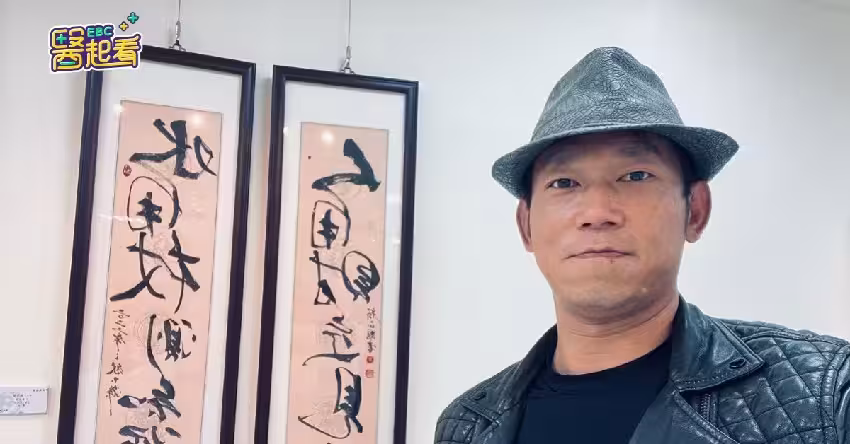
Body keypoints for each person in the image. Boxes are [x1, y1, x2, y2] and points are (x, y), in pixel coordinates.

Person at [433, 47, 850, 444]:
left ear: (695, 210)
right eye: (564, 182)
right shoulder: (467, 425)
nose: (597, 212)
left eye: (635, 176)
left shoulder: (823, 394)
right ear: (526, 226)